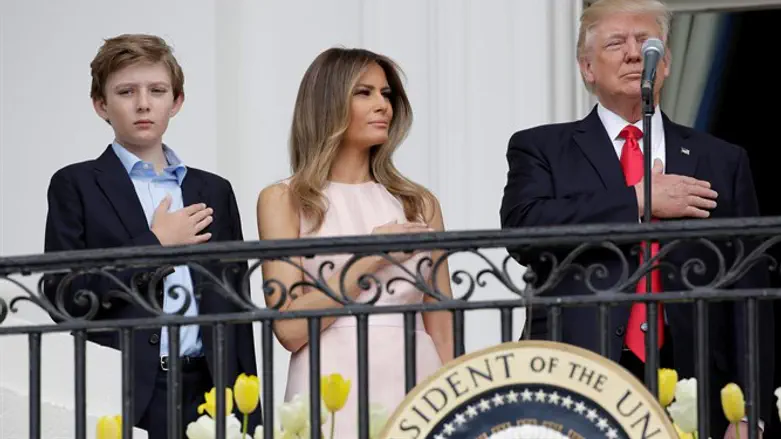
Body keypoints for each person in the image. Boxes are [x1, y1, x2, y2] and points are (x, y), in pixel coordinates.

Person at [499, 0, 774, 437]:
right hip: (578, 369)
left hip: (695, 379)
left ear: (665, 63)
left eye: (647, 44)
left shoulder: (722, 159)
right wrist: (638, 200)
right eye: (615, 43)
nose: (633, 54)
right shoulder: (542, 148)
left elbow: (749, 290)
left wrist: (749, 410)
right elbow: (523, 230)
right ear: (587, 67)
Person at [43, 34, 260, 438]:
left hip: (211, 389)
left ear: (176, 102)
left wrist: (250, 411)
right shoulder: (76, 184)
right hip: (123, 390)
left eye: (157, 91)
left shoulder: (213, 190)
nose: (143, 104)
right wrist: (155, 245)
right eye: (126, 92)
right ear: (101, 105)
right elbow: (63, 297)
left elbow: (235, 305)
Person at [256, 47, 454, 438]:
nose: (383, 105)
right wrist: (369, 257)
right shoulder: (284, 199)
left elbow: (443, 326)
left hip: (417, 384)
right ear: (327, 103)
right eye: (364, 93)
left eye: (386, 94)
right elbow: (289, 330)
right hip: (327, 383)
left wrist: (461, 408)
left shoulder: (419, 203)